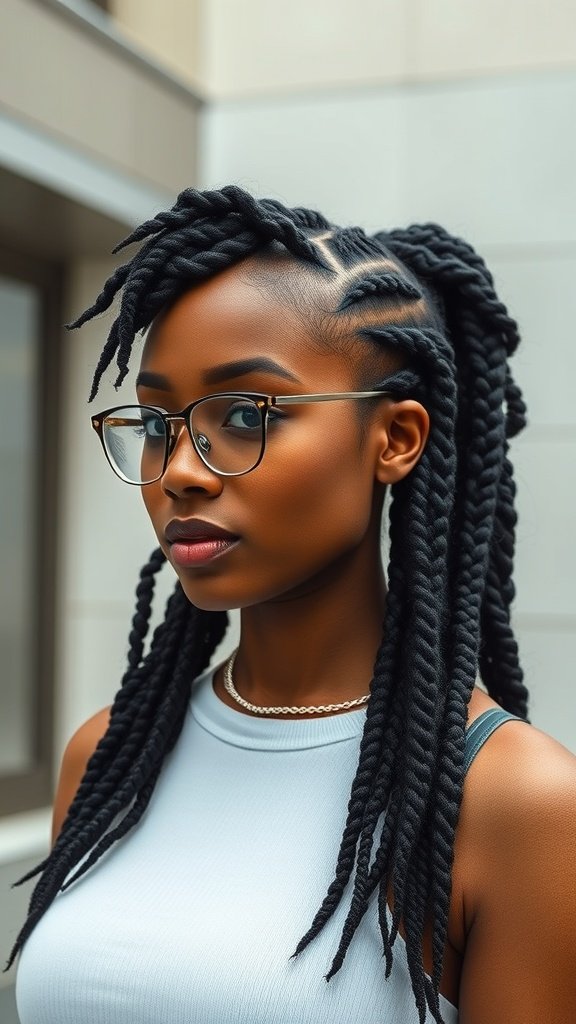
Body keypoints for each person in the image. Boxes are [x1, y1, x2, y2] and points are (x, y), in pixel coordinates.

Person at [9, 187, 576, 1023]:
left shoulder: (517, 804)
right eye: (159, 425)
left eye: (245, 413)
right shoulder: (104, 757)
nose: (182, 471)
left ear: (395, 438)